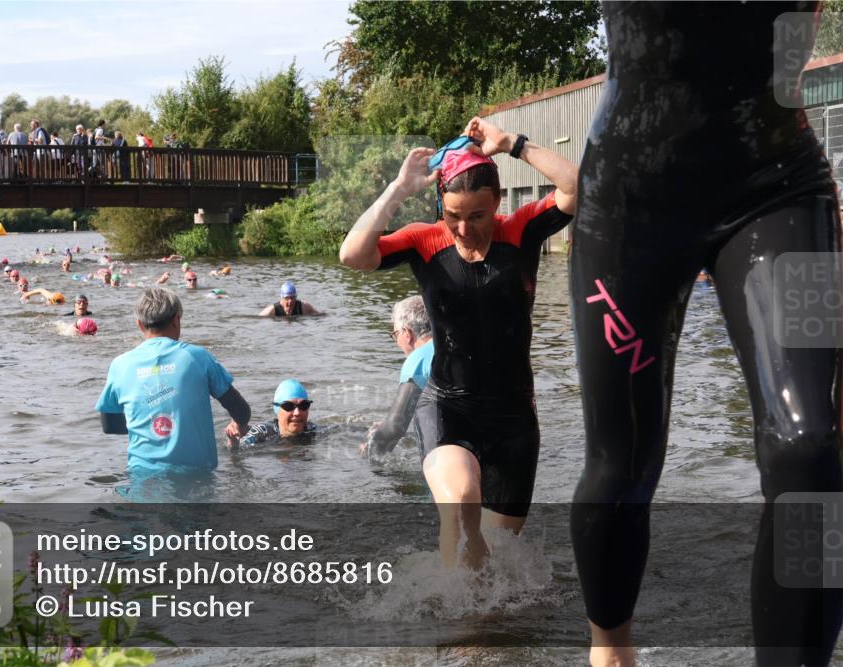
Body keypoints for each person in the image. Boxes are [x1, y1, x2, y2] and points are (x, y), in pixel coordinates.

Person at [567, 5, 843, 667]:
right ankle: (611, 652)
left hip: (780, 187)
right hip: (629, 202)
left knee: (812, 450)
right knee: (624, 466)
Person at [338, 117, 578, 570]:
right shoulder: (423, 241)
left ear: (498, 202)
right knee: (462, 500)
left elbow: (575, 187)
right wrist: (397, 190)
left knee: (500, 560)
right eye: (453, 216)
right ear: (440, 208)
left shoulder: (521, 230)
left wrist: (512, 144)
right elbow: (352, 254)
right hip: (448, 406)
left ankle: (470, 611)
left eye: (477, 216)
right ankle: (447, 609)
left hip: (514, 419)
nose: (464, 228)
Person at [96, 287, 251, 471]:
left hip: (141, 476)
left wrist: (150, 423)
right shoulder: (198, 357)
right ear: (177, 319)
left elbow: (109, 425)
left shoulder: (120, 365)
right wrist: (238, 424)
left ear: (139, 324)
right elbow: (241, 411)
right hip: (198, 474)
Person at [361, 295, 434, 460]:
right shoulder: (456, 344)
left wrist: (370, 448)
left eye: (395, 334)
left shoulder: (419, 359)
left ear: (407, 333)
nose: (396, 342)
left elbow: (395, 427)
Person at [226, 380, 318, 448]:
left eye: (303, 405)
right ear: (277, 409)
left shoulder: (312, 429)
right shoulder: (262, 432)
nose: (297, 413)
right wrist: (233, 441)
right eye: (289, 406)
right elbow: (238, 450)